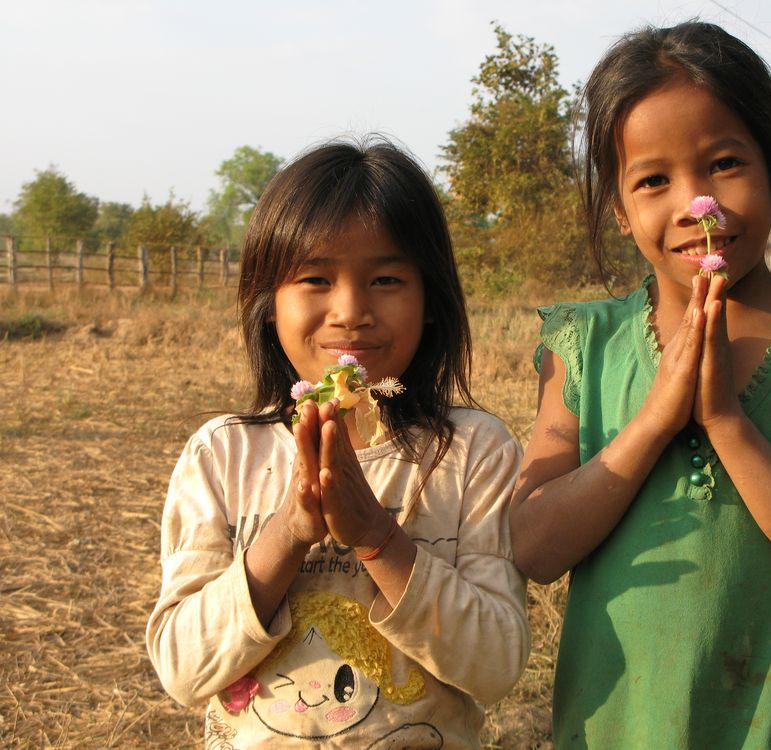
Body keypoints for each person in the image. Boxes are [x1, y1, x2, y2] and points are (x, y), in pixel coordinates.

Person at [509, 22, 771, 749]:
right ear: (621, 212)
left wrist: (724, 419)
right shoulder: (584, 346)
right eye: (654, 180)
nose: (699, 206)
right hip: (615, 728)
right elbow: (533, 548)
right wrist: (654, 420)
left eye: (725, 164)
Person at [146, 138, 530, 749]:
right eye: (315, 278)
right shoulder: (222, 456)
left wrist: (379, 537)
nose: (351, 311)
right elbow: (184, 669)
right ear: (268, 305)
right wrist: (291, 530)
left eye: (385, 278)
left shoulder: (472, 453)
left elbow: (496, 665)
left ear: (430, 301)